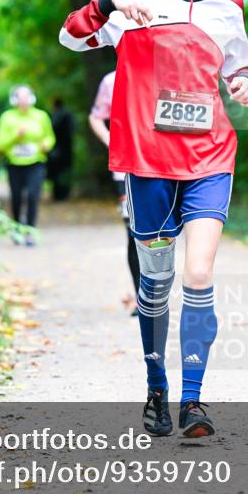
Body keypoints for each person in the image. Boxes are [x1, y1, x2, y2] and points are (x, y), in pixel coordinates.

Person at [59, 0, 248, 438]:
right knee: (156, 280)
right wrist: (106, 4)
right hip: (147, 161)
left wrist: (244, 84)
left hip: (209, 155)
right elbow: (71, 37)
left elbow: (241, 67)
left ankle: (194, 402)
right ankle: (156, 387)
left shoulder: (229, 7)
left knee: (198, 274)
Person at [89, 70, 141, 317]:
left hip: (164, 168)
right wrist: (110, 139)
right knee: (133, 232)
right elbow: (96, 116)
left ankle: (156, 294)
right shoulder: (110, 80)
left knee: (163, 234)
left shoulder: (165, 71)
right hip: (126, 170)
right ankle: (143, 297)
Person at [0, 85, 55, 245]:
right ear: (14, 100)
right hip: (15, 164)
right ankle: (17, 228)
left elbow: (50, 137)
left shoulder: (41, 116)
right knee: (17, 198)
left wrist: (46, 145)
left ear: (32, 99)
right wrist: (15, 136)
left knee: (34, 196)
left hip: (36, 163)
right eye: (20, 98)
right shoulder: (7, 117)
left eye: (27, 97)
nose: (24, 101)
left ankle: (30, 231)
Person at [47, 98, 75, 201]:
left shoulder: (54, 116)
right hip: (67, 149)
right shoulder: (68, 115)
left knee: (56, 173)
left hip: (56, 149)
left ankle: (57, 194)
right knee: (65, 171)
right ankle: (64, 194)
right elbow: (72, 130)